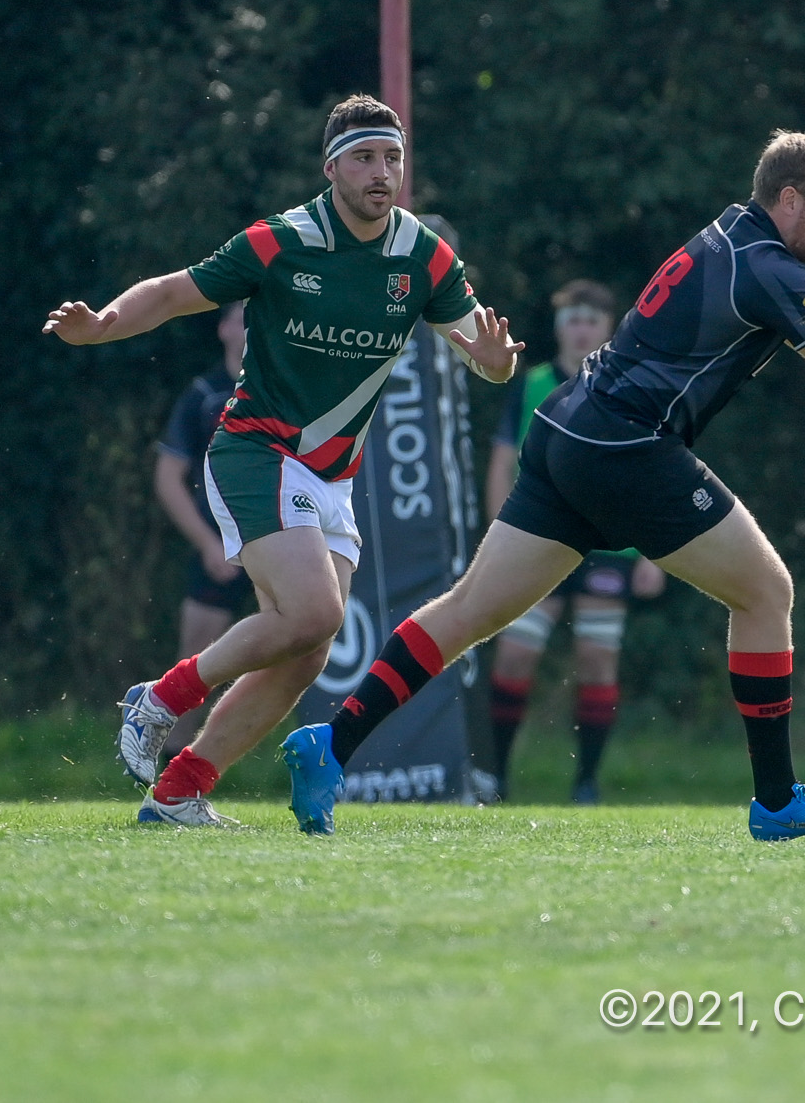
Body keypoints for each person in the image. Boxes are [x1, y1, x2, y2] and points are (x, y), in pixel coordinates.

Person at [281, 130, 805, 840]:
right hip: (624, 445)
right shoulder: (767, 263)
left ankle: (331, 741)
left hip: (567, 430)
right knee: (766, 591)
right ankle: (776, 800)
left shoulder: (741, 241)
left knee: (466, 612)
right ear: (791, 198)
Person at [45, 95, 523, 826]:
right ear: (331, 167)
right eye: (365, 157)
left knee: (308, 647)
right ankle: (161, 697)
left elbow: (484, 356)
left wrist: (493, 365)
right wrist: (104, 324)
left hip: (332, 478)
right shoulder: (283, 240)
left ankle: (179, 790)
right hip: (255, 452)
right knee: (314, 611)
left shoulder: (424, 256)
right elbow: (177, 292)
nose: (381, 172)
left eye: (392, 157)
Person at [480, 278, 666, 804]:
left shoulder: (630, 383)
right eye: (573, 319)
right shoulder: (531, 382)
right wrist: (499, 538)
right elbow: (500, 463)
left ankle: (586, 783)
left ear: (608, 327)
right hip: (536, 542)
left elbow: (656, 469)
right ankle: (495, 778)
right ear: (560, 327)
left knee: (596, 660)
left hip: (610, 545)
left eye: (592, 319)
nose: (582, 329)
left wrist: (656, 550)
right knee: (515, 656)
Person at [149, 301, 253, 759]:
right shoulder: (203, 395)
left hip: (282, 540)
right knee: (197, 653)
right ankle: (167, 757)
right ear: (223, 328)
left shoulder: (283, 389)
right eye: (243, 316)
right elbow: (168, 478)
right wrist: (209, 544)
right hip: (221, 547)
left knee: (301, 644)